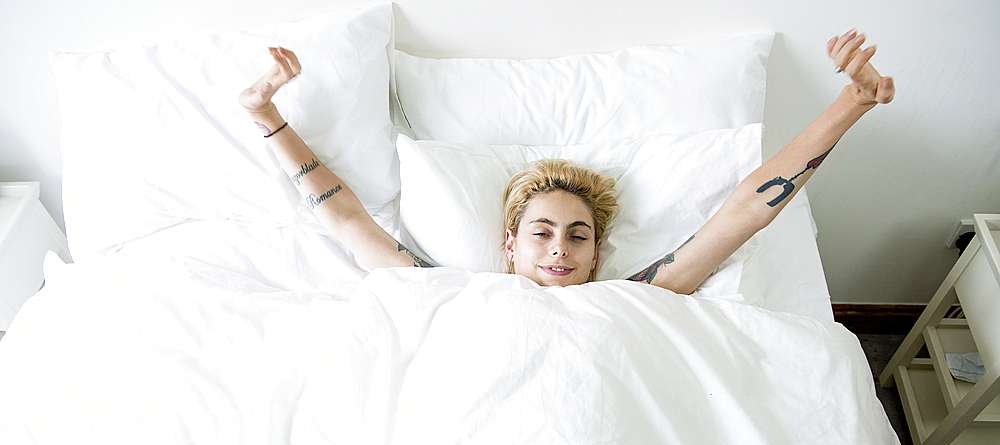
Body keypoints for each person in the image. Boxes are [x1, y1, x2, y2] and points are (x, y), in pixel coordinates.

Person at [239, 31, 893, 293]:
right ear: (509, 245)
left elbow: (745, 211)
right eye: (543, 231)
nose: (559, 247)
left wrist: (851, 104)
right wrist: (267, 115)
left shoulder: (638, 293)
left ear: (598, 250)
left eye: (577, 234)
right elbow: (348, 218)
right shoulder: (459, 291)